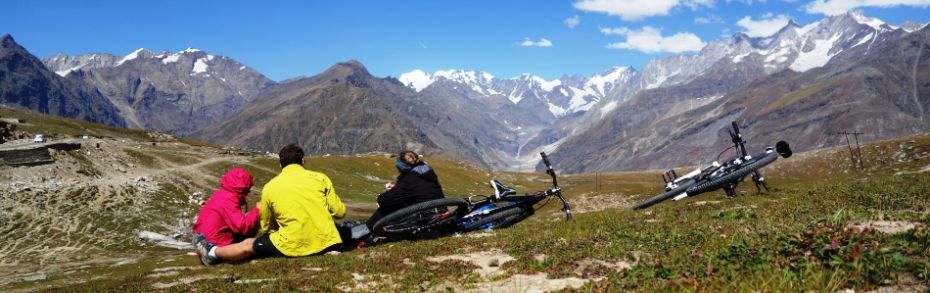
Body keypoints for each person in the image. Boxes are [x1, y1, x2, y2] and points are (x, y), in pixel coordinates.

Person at [253, 144, 347, 258]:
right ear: (303, 161)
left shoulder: (269, 187)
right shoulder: (321, 178)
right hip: (327, 244)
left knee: (257, 244)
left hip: (291, 247)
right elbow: (339, 212)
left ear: (280, 164)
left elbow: (267, 227)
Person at [191, 167, 260, 265]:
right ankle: (211, 253)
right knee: (253, 243)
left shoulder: (223, 194)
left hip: (205, 238)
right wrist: (257, 211)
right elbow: (242, 226)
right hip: (215, 242)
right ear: (242, 187)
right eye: (247, 190)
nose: (248, 192)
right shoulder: (229, 199)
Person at [366, 150, 445, 229]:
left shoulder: (410, 179)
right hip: (439, 212)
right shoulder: (427, 174)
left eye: (398, 168)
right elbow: (417, 190)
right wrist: (398, 187)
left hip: (425, 219)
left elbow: (385, 201)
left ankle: (367, 231)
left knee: (388, 206)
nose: (398, 171)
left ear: (403, 167)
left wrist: (381, 196)